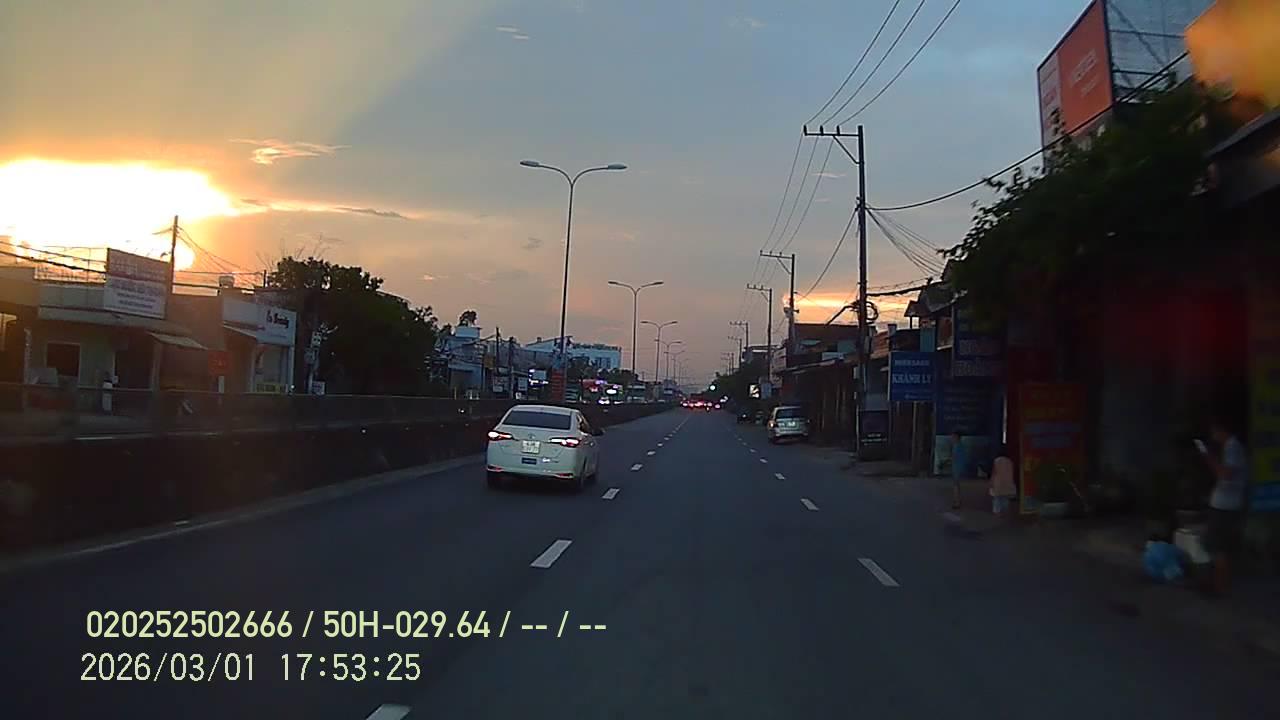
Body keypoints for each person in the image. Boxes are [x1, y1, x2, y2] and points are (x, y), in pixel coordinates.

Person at [1197, 416, 1248, 595]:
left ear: (1221, 430)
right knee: (1221, 546)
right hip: (1227, 505)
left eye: (1214, 431)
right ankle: (1219, 584)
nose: (1213, 435)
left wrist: (1207, 456)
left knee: (1218, 547)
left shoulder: (1232, 447)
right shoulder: (1231, 448)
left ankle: (1219, 587)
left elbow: (1224, 474)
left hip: (1224, 507)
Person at [990, 444, 1017, 517]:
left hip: (998, 482)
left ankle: (997, 512)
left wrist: (991, 482)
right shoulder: (1010, 461)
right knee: (1005, 497)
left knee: (997, 498)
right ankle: (1004, 510)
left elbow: (994, 472)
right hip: (1008, 482)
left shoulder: (996, 460)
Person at [949, 431, 967, 510]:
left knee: (956, 485)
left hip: (957, 468)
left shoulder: (956, 446)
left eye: (953, 437)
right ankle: (957, 501)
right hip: (958, 467)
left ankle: (957, 502)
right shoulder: (960, 446)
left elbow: (953, 457)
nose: (951, 438)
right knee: (956, 485)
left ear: (956, 437)